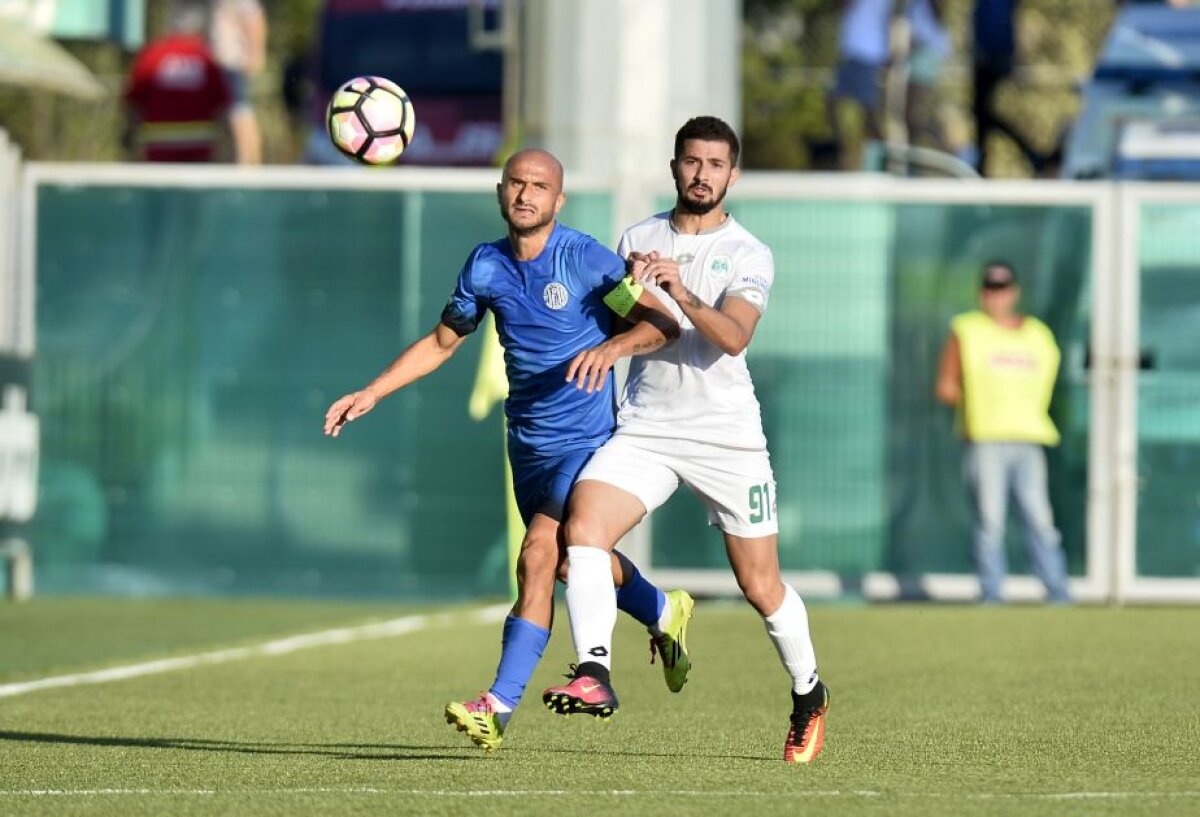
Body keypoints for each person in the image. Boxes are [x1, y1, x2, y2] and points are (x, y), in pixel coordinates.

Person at [323, 148, 695, 752]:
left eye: (539, 186)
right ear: (501, 191)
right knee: (573, 564)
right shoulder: (485, 265)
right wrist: (373, 391)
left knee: (539, 555)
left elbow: (663, 324)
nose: (526, 194)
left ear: (558, 199)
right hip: (527, 445)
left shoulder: (586, 260)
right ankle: (661, 610)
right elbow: (442, 343)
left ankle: (497, 706)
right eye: (517, 183)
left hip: (587, 443)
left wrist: (611, 349)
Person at [541, 117, 830, 765]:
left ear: (733, 174)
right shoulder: (637, 236)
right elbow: (625, 319)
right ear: (675, 166)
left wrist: (680, 288)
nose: (702, 175)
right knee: (583, 530)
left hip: (726, 436)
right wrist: (627, 296)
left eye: (715, 164)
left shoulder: (750, 252)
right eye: (692, 162)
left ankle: (809, 693)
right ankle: (594, 671)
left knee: (760, 586)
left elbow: (733, 337)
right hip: (647, 425)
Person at [934, 261, 1071, 604]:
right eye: (990, 290)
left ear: (1015, 292)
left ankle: (1058, 592)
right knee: (990, 521)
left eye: (1003, 289)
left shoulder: (1037, 334)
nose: (997, 297)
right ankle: (991, 594)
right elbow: (946, 386)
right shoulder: (967, 330)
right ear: (982, 293)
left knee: (1040, 519)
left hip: (1029, 438)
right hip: (985, 439)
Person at [123, 0, 231, 163]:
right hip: (199, 150)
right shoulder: (206, 59)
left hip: (157, 149)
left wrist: (129, 138)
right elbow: (222, 106)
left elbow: (133, 102)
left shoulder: (153, 55)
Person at [971, 0, 1044, 175]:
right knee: (982, 112)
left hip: (993, 54)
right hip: (990, 52)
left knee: (982, 112)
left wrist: (1004, 53)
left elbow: (999, 21)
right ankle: (983, 161)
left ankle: (984, 161)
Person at [827, 0, 895, 169]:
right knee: (834, 102)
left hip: (865, 52)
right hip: (857, 51)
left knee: (868, 112)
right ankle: (842, 151)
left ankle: (885, 160)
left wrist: (888, 52)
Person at [209, 0, 267, 164]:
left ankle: (248, 160)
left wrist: (256, 53)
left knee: (240, 111)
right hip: (224, 63)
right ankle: (241, 158)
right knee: (236, 111)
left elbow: (255, 21)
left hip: (234, 62)